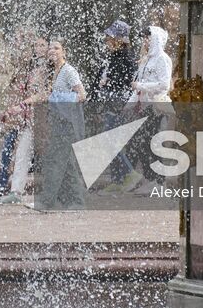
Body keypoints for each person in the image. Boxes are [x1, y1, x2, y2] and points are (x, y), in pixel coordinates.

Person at [27, 40, 88, 211]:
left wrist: (58, 99)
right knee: (66, 164)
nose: (52, 50)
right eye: (50, 48)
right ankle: (76, 201)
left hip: (68, 124)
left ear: (64, 52)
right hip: (58, 123)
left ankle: (47, 202)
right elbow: (47, 95)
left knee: (54, 161)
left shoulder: (69, 71)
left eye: (57, 48)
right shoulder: (54, 72)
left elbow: (82, 95)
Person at [118, 25, 173, 191]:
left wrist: (141, 85)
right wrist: (128, 106)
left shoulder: (163, 58)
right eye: (144, 38)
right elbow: (138, 88)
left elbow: (164, 84)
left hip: (156, 107)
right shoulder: (146, 59)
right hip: (142, 107)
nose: (145, 41)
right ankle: (150, 178)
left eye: (148, 38)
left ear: (155, 38)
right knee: (141, 143)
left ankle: (159, 181)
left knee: (152, 143)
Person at [0, 36, 51, 205]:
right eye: (36, 45)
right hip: (30, 120)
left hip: (45, 120)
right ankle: (16, 192)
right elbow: (24, 94)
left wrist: (22, 104)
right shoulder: (31, 69)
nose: (39, 48)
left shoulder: (51, 69)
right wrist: (16, 110)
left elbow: (46, 93)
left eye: (43, 45)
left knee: (51, 156)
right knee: (21, 154)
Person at [93, 20, 138, 189]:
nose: (106, 41)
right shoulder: (111, 56)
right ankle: (117, 180)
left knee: (110, 139)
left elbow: (130, 81)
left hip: (119, 104)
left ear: (119, 39)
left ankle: (129, 172)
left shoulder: (127, 57)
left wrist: (109, 81)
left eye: (109, 37)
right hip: (110, 103)